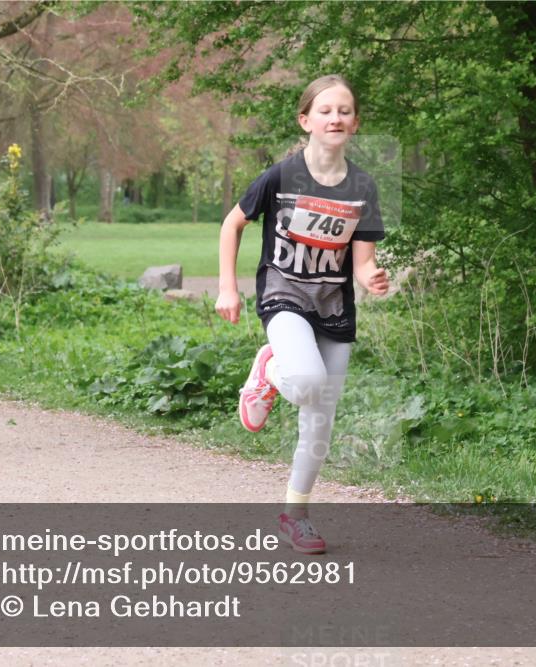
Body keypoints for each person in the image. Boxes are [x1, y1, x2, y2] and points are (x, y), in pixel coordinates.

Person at [216, 74, 389, 554]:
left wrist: (372, 277)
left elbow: (363, 261)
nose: (336, 118)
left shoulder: (363, 187)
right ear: (306, 120)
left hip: (333, 307)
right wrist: (227, 288)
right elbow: (233, 224)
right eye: (326, 110)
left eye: (345, 111)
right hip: (284, 294)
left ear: (355, 123)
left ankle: (296, 515)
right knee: (308, 382)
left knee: (320, 421)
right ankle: (269, 367)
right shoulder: (281, 176)